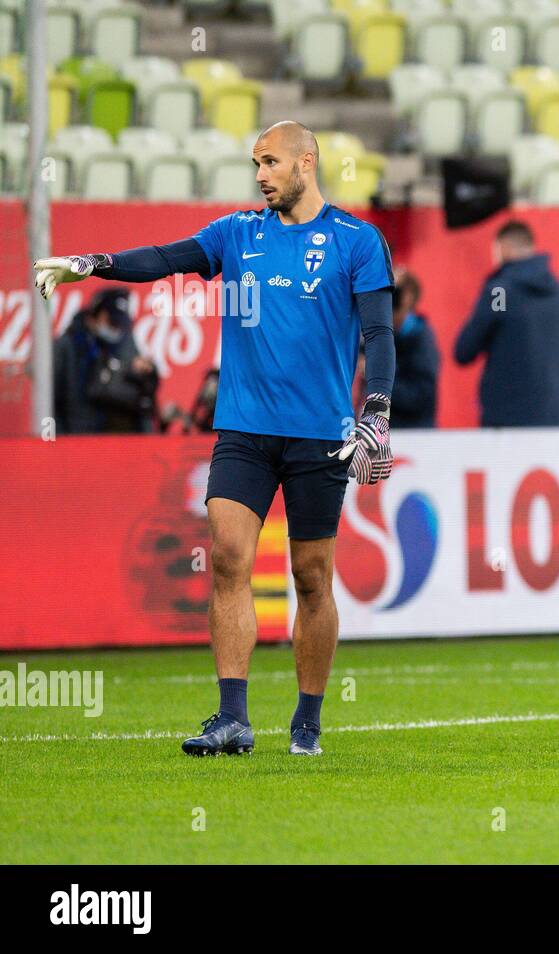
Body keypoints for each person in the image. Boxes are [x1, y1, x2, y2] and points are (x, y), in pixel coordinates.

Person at [33, 120, 397, 757]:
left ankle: (307, 722)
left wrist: (378, 412)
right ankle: (232, 717)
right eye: (255, 163)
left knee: (312, 578)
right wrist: (92, 265)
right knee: (229, 558)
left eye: (270, 162)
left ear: (306, 163)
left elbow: (379, 337)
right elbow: (166, 259)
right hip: (244, 431)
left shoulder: (357, 242)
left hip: (321, 438)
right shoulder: (237, 234)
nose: (260, 174)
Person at [453, 220, 559, 427]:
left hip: (504, 425)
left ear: (501, 248)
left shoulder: (500, 293)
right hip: (552, 421)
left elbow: (465, 351)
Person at [52, 287, 157, 434]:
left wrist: (146, 372)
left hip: (114, 442)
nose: (117, 329)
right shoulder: (67, 346)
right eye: (112, 321)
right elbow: (50, 403)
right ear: (95, 316)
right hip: (75, 441)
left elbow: (141, 399)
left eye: (120, 323)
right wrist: (60, 444)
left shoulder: (126, 342)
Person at [390, 266, 439, 428]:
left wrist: (377, 377)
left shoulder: (420, 337)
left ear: (408, 299)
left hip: (414, 436)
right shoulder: (374, 336)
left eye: (394, 294)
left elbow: (419, 397)